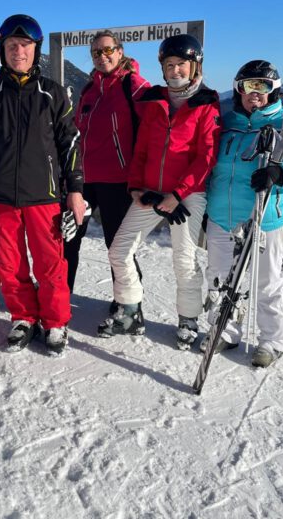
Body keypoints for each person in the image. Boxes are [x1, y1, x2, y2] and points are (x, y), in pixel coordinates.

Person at [0, 14, 85, 355]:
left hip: (44, 195)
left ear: (36, 50)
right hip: (0, 195)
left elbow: (71, 144)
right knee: (9, 262)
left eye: (25, 46)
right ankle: (23, 317)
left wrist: (75, 190)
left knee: (50, 264)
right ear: (2, 49)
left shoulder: (53, 94)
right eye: (12, 45)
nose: (19, 52)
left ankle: (55, 321)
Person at [204, 60, 283, 367]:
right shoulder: (225, 122)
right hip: (222, 214)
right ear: (238, 89)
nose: (254, 93)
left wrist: (280, 173)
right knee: (219, 278)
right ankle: (225, 331)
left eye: (263, 86)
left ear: (275, 90)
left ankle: (273, 340)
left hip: (267, 216)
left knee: (266, 281)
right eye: (248, 86)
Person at [104, 34, 221, 348]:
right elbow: (142, 150)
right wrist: (134, 187)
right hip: (150, 192)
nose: (175, 70)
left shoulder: (206, 104)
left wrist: (178, 194)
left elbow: (205, 156)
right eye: (169, 65)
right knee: (119, 249)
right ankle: (129, 313)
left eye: (181, 64)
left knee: (184, 260)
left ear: (194, 66)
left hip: (187, 195)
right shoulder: (155, 102)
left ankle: (188, 320)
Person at [64, 30, 150, 304]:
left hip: (117, 181)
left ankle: (127, 303)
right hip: (84, 180)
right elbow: (77, 130)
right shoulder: (90, 88)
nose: (102, 57)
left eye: (108, 50)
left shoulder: (133, 85)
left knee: (118, 246)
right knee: (69, 240)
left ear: (120, 51)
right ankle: (60, 297)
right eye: (96, 53)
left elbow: (158, 121)